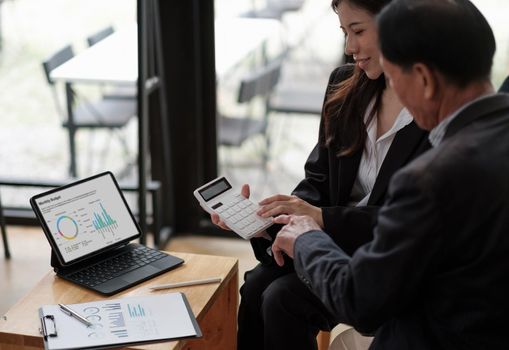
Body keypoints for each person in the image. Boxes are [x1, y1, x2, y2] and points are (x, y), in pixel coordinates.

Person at [271, 0, 509, 348]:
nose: (393, 91)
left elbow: (360, 301)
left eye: (396, 79)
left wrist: (308, 236)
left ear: (424, 79)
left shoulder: (430, 179)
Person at [211, 1, 431, 348]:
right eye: (344, 33)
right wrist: (269, 218)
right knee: (255, 286)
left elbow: (409, 223)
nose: (349, 48)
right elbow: (318, 181)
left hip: (390, 261)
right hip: (329, 241)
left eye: (358, 31)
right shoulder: (345, 84)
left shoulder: (434, 110)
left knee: (281, 299)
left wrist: (320, 219)